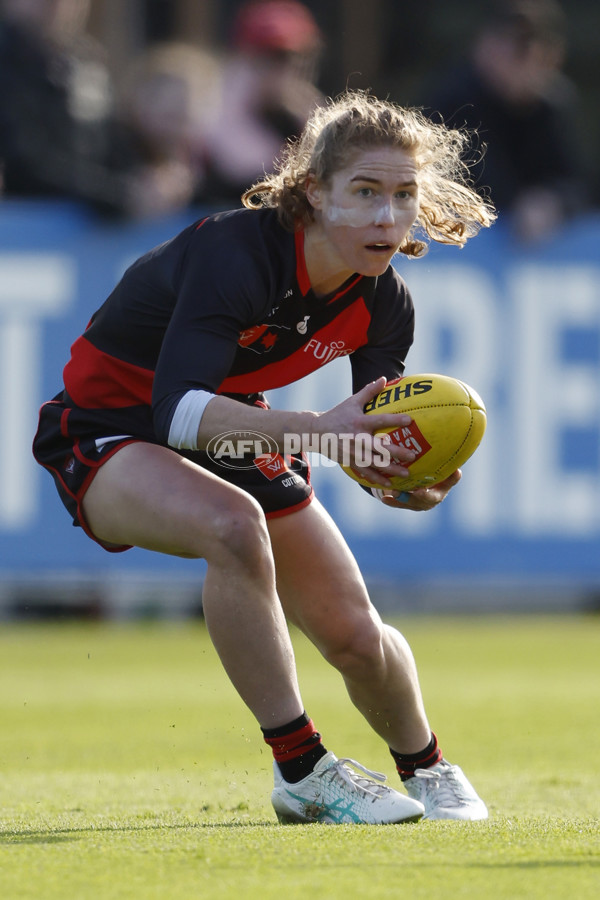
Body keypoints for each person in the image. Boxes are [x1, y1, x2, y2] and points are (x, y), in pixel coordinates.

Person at [33, 91, 495, 824]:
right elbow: (178, 414)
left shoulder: (384, 303)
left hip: (236, 425)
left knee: (351, 630)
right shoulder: (236, 252)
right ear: (314, 191)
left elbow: (356, 436)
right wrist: (319, 430)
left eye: (404, 195)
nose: (386, 215)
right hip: (105, 425)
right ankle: (304, 770)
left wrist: (399, 479)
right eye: (365, 192)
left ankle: (430, 768)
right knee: (233, 526)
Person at [421, 0, 588, 243]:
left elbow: (576, 182)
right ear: (485, 45)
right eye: (516, 48)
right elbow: (462, 179)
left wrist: (553, 202)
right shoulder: (453, 100)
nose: (527, 62)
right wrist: (516, 205)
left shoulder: (552, 105)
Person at [201, 0, 324, 208]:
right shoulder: (214, 105)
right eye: (270, 58)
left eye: (295, 57)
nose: (284, 69)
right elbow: (244, 166)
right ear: (242, 58)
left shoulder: (304, 108)